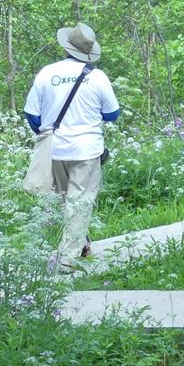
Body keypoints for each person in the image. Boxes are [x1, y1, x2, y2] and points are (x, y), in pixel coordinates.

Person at [23, 22, 120, 271]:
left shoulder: (46, 73)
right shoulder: (97, 77)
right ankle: (66, 261)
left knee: (62, 202)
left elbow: (31, 114)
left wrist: (49, 133)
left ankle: (75, 245)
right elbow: (112, 113)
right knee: (80, 202)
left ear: (66, 47)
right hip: (87, 151)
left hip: (55, 151)